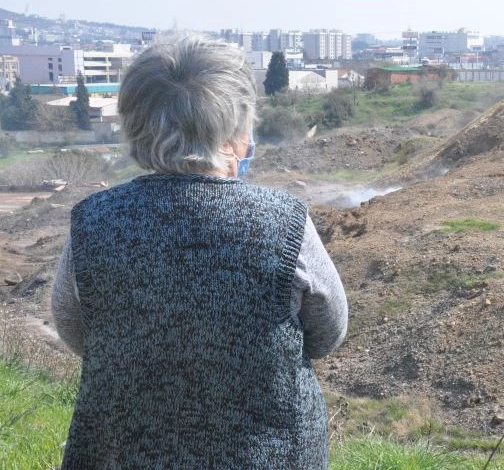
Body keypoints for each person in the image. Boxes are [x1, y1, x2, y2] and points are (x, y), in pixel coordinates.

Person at [51, 34, 348, 469]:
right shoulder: (284, 222)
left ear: (134, 124)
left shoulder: (92, 222)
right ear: (236, 129)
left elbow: (78, 331)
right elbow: (327, 333)